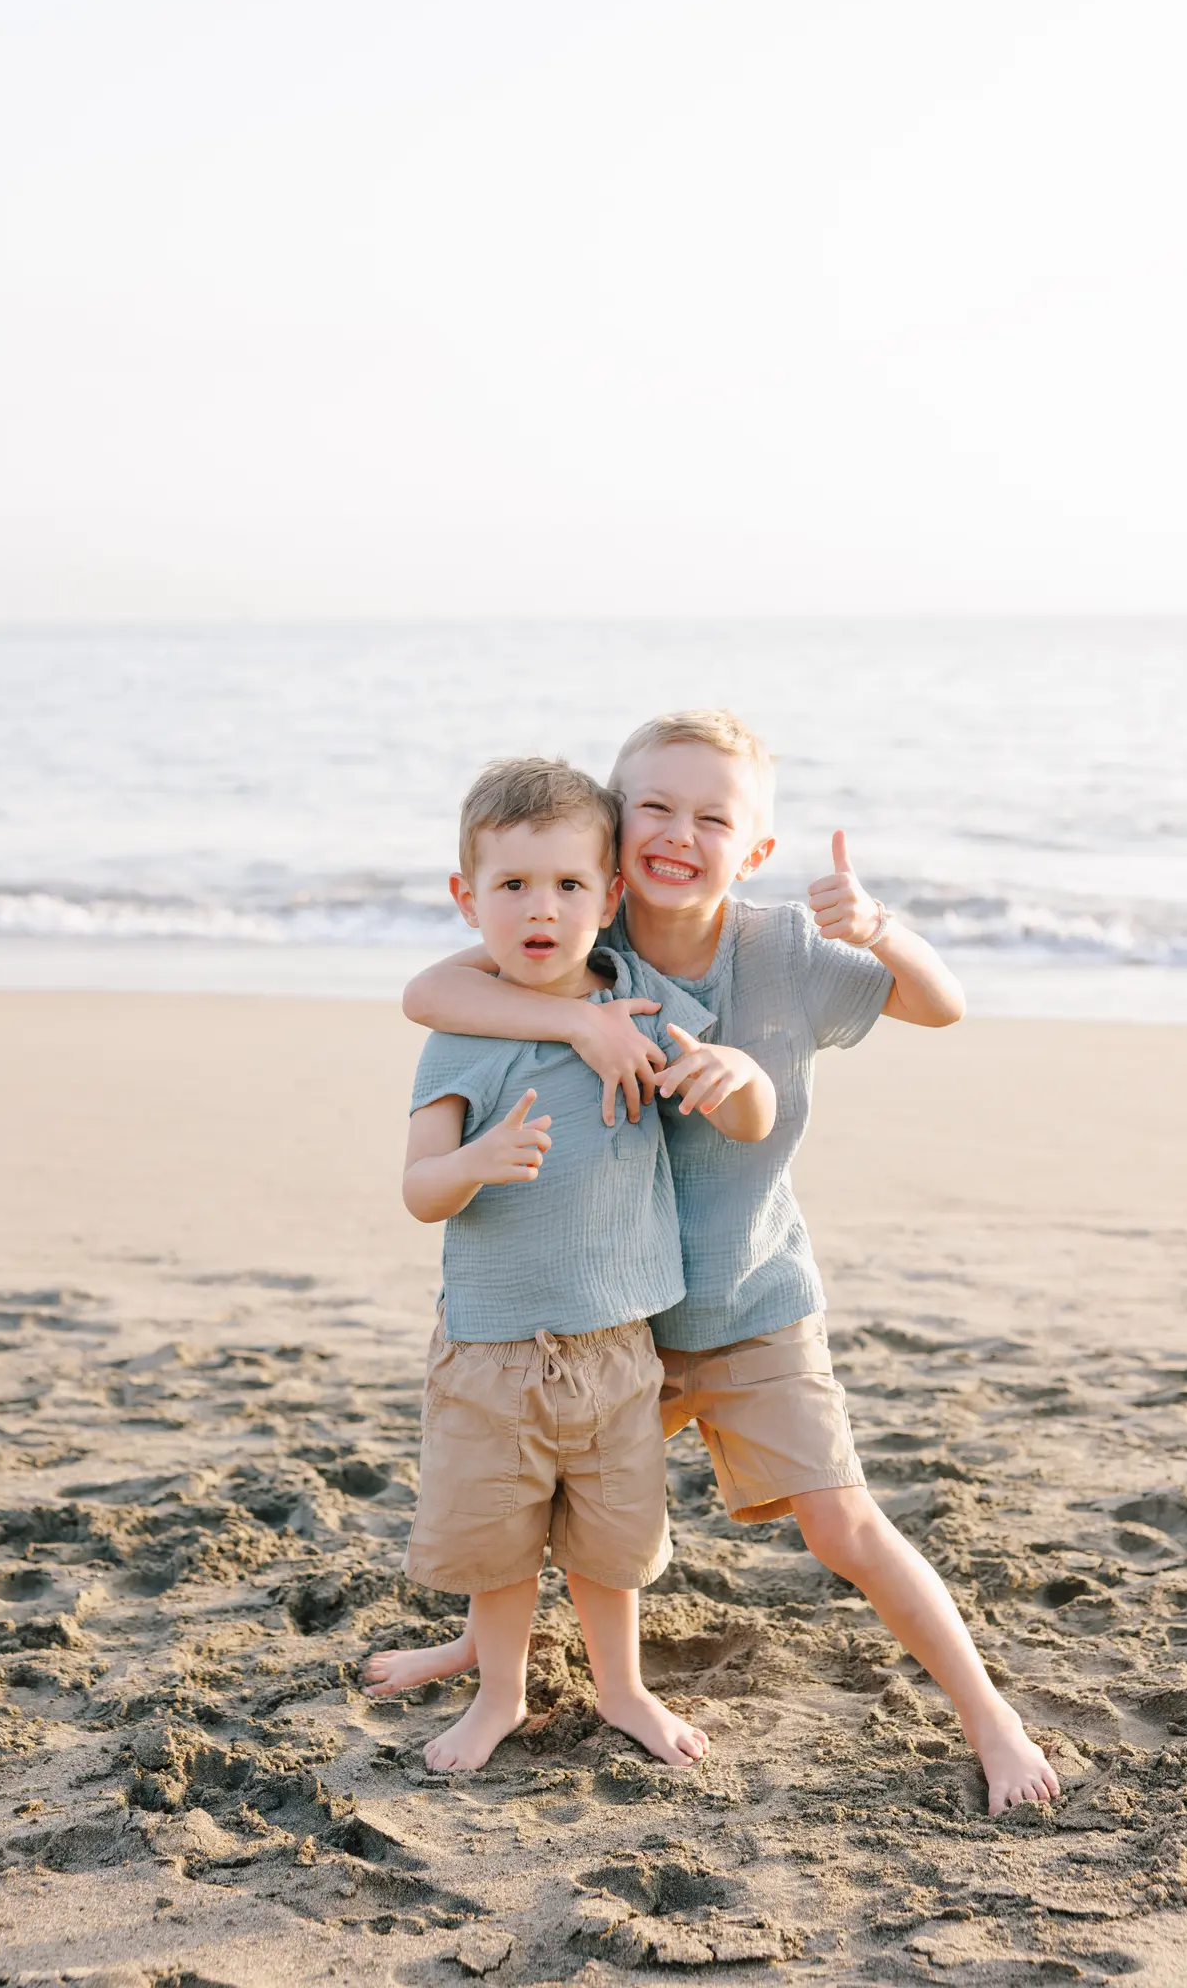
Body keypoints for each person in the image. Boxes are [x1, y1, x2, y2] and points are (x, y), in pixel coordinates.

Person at [395, 713, 1061, 1814]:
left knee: (841, 1522)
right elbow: (431, 994)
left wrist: (879, 926)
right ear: (613, 842)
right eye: (652, 807)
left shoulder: (779, 949)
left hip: (751, 1300)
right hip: (618, 1318)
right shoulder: (573, 940)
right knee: (529, 1490)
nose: (677, 832)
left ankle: (988, 1715)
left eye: (712, 817)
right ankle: (484, 1655)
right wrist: (580, 1032)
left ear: (751, 850)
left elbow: (941, 1006)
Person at [363, 754, 774, 1772]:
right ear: (466, 897)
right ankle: (498, 1693)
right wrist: (474, 1162)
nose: (539, 908)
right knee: (499, 1544)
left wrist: (746, 1078)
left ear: (610, 896)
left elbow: (748, 1118)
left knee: (607, 1539)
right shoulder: (462, 1033)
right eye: (510, 885)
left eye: (567, 885)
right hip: (493, 1344)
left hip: (614, 1342)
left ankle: (622, 1687)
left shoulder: (639, 998)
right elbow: (419, 1190)